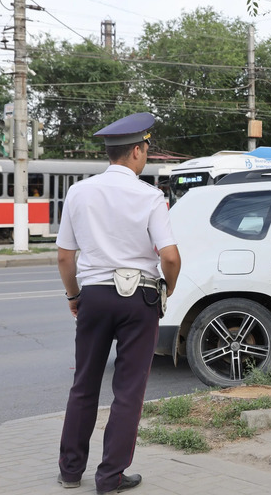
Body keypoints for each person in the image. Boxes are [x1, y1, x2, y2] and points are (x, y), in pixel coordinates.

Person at [55, 112, 181, 494]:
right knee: (128, 391)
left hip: (93, 296)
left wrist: (75, 296)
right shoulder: (150, 196)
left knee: (84, 384)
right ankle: (109, 478)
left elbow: (64, 256)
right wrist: (169, 288)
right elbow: (170, 257)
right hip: (138, 298)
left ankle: (70, 472)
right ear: (138, 152)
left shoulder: (79, 192)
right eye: (146, 149)